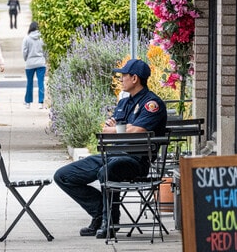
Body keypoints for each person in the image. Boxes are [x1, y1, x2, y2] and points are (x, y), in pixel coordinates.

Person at [53, 59, 167, 238]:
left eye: (123, 75)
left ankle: (110, 222)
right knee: (63, 176)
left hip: (136, 160)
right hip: (111, 154)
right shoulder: (124, 103)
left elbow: (138, 130)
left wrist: (115, 129)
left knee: (108, 170)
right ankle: (99, 213)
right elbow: (109, 130)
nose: (121, 79)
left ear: (135, 78)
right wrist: (115, 129)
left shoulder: (151, 104)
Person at [22, 21, 46, 109]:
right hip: (41, 62)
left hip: (30, 63)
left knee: (29, 83)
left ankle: (28, 102)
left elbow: (24, 51)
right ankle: (40, 102)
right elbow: (45, 50)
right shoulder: (42, 38)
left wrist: (26, 59)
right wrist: (44, 58)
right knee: (41, 83)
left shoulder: (27, 38)